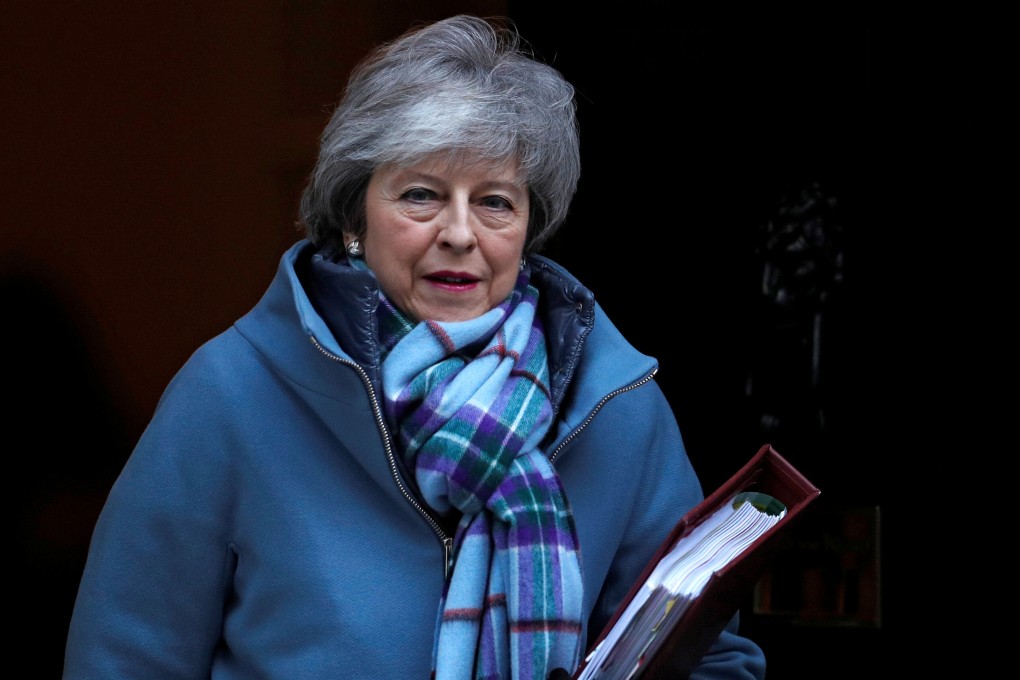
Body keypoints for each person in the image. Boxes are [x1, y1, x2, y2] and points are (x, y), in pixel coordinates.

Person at [63, 14, 767, 680]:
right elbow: (124, 661)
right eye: (423, 195)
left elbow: (703, 660)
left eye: (495, 202)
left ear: (529, 229)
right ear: (352, 217)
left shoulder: (616, 409)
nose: (460, 233)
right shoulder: (231, 395)